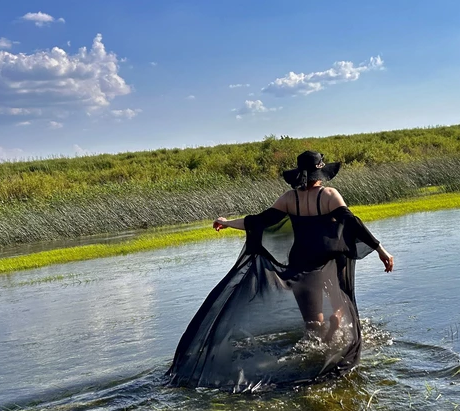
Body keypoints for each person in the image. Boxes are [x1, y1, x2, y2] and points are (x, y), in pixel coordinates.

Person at [166, 151, 394, 391]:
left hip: (301, 264)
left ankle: (316, 356)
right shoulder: (329, 195)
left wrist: (227, 222)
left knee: (313, 324)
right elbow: (352, 222)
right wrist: (380, 250)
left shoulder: (289, 198)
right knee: (339, 303)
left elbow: (258, 221)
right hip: (329, 259)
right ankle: (337, 328)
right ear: (320, 172)